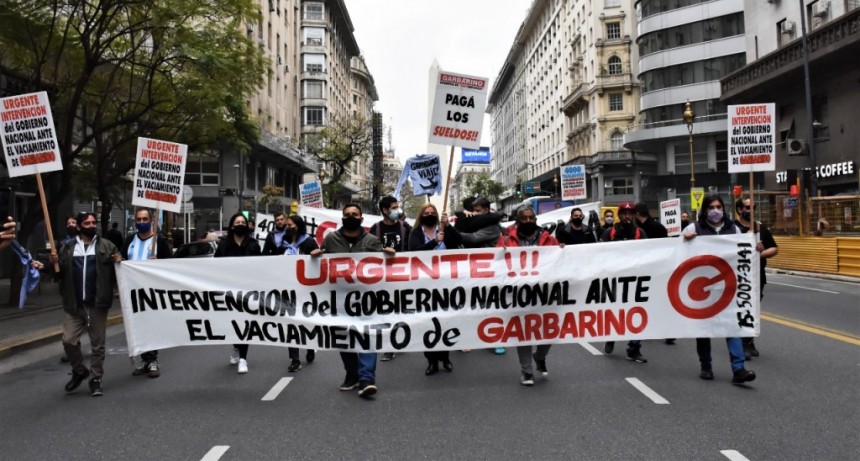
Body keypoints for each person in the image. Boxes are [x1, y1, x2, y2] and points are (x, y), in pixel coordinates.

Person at [311, 204, 391, 398]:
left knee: (366, 336)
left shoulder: (372, 241)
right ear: (342, 218)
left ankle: (366, 379)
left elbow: (382, 269)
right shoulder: (331, 239)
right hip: (339, 299)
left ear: (361, 219)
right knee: (343, 337)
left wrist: (389, 256)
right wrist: (316, 257)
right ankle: (352, 374)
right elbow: (323, 265)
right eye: (347, 215)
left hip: (366, 300)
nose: (351, 217)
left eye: (354, 214)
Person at [683, 195, 756, 385]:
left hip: (728, 288)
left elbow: (743, 255)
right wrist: (685, 240)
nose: (716, 210)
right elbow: (678, 253)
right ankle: (706, 365)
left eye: (719, 206)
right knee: (704, 329)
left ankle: (738, 369)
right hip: (701, 289)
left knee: (733, 327)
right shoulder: (693, 228)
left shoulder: (734, 229)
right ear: (705, 210)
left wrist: (755, 249)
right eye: (712, 207)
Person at [49, 212, 121, 397]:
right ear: (79, 227)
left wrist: (119, 261)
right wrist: (50, 265)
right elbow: (57, 275)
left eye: (93, 222)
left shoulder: (107, 246)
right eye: (87, 223)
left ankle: (95, 378)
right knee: (69, 340)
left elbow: (120, 269)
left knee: (98, 344)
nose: (91, 225)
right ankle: (80, 370)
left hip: (96, 304)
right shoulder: (67, 248)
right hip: (74, 305)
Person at [497, 205, 561, 386]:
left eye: (531, 218)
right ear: (517, 221)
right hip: (519, 293)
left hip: (546, 293)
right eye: (524, 218)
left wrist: (562, 251)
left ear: (535, 219)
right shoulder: (506, 241)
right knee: (523, 332)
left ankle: (540, 356)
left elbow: (562, 261)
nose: (528, 221)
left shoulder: (550, 240)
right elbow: (496, 265)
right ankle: (527, 371)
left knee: (549, 330)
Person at [408, 203, 462, 376]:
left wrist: (449, 226)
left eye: (433, 213)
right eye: (426, 213)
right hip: (424, 285)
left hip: (446, 284)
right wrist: (434, 242)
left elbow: (459, 241)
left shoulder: (444, 229)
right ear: (421, 216)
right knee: (427, 323)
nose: (430, 215)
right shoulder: (415, 233)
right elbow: (415, 253)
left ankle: (445, 357)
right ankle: (431, 360)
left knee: (446, 321)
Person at [122, 208, 172, 378]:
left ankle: (152, 360)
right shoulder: (129, 240)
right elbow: (122, 261)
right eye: (138, 219)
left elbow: (171, 266)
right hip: (133, 291)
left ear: (152, 221)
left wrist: (159, 264)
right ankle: (144, 359)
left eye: (145, 219)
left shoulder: (160, 241)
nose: (141, 222)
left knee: (150, 325)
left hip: (152, 291)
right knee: (137, 326)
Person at [454, 197, 505, 354]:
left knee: (490, 305)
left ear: (486, 210)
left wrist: (453, 233)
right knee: (467, 303)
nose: (475, 214)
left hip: (489, 271)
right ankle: (465, 338)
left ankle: (495, 339)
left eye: (478, 211)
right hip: (471, 270)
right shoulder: (474, 221)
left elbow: (473, 237)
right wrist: (463, 214)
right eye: (473, 211)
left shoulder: (492, 226)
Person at [600, 202, 648, 363]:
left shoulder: (640, 233)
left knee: (636, 313)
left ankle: (634, 349)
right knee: (615, 312)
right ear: (619, 215)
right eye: (624, 213)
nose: (627, 216)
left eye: (630, 213)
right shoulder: (610, 233)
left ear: (634, 215)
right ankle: (611, 336)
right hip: (614, 280)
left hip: (635, 280)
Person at [215, 213, 262, 374]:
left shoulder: (253, 244)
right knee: (233, 323)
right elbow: (213, 266)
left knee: (245, 324)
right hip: (228, 291)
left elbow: (261, 266)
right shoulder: (223, 244)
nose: (241, 224)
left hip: (247, 291)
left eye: (243, 222)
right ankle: (236, 346)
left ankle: (243, 358)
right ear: (232, 225)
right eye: (237, 222)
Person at [734, 197, 778, 359]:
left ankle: (748, 340)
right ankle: (740, 342)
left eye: (753, 207)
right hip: (738, 277)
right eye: (747, 207)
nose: (751, 210)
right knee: (742, 308)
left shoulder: (760, 229)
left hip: (757, 276)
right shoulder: (732, 229)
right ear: (739, 210)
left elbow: (774, 248)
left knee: (754, 309)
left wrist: (759, 253)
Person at [369, 196, 412, 362]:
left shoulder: (404, 227)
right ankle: (389, 345)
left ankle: (400, 340)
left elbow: (413, 247)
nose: (397, 210)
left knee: (400, 310)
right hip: (382, 278)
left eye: (397, 207)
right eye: (394, 208)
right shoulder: (376, 229)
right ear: (385, 210)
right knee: (386, 311)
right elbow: (368, 249)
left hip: (402, 276)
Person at [280, 215, 319, 373]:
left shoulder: (309, 242)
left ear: (298, 226)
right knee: (291, 323)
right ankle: (295, 359)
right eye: (287, 225)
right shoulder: (283, 243)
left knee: (306, 322)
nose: (288, 227)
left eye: (291, 225)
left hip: (306, 290)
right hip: (288, 289)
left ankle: (310, 346)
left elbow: (317, 264)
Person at [634, 202, 675, 344]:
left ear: (638, 214)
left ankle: (663, 330)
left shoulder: (641, 229)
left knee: (650, 300)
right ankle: (668, 331)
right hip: (657, 268)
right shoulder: (658, 226)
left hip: (650, 268)